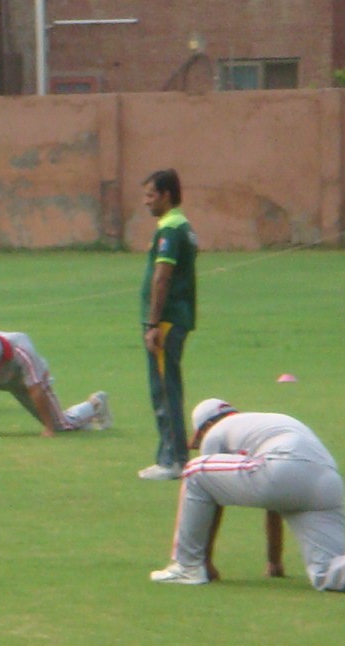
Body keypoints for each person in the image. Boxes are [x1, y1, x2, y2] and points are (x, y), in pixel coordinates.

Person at [150, 398, 345, 597]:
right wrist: (274, 562)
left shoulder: (217, 431)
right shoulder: (261, 423)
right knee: (324, 572)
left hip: (283, 466)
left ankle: (187, 567)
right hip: (327, 481)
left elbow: (213, 499)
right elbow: (273, 502)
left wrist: (205, 560)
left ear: (206, 425)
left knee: (195, 471)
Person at [139, 169, 200, 480]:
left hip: (166, 322)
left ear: (165, 195)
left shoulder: (171, 230)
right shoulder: (181, 226)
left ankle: (174, 460)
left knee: (164, 388)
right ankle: (171, 456)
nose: (146, 202)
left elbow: (162, 278)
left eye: (151, 195)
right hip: (174, 318)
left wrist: (152, 323)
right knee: (166, 386)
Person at [0, 330, 110, 437]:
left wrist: (49, 428)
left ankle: (94, 405)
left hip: (24, 381)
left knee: (62, 426)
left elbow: (36, 390)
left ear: (0, 358)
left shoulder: (23, 352)